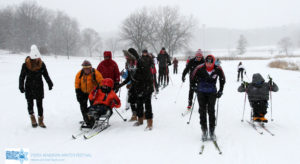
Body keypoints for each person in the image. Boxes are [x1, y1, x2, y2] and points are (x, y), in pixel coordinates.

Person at [118, 48, 154, 130]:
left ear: (132, 56)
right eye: (126, 57)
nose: (126, 58)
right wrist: (120, 85)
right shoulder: (130, 64)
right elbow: (129, 77)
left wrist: (141, 84)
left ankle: (149, 123)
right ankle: (140, 120)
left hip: (147, 86)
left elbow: (147, 75)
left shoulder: (141, 62)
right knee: (139, 103)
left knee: (147, 104)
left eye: (127, 57)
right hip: (138, 87)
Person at [191, 54, 226, 141]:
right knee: (202, 111)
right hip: (201, 91)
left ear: (213, 62)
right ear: (205, 62)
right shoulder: (199, 68)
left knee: (211, 111)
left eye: (210, 63)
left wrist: (221, 90)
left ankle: (212, 131)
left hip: (212, 92)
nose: (208, 64)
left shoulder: (218, 69)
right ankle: (204, 130)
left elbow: (222, 79)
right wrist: (194, 87)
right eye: (207, 62)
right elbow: (192, 77)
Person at [19, 44, 53, 128]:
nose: (36, 59)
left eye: (37, 58)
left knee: (39, 104)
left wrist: (49, 83)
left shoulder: (42, 64)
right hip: (29, 86)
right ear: (31, 57)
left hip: (39, 86)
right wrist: (21, 85)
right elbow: (22, 76)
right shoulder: (25, 65)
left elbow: (46, 75)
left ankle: (41, 120)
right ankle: (33, 119)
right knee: (30, 104)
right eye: (34, 58)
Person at [75, 60, 103, 126]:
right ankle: (87, 120)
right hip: (83, 92)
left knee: (93, 107)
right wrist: (77, 92)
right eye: (85, 68)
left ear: (90, 67)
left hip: (93, 93)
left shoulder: (95, 73)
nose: (86, 70)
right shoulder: (80, 73)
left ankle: (93, 119)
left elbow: (101, 81)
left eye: (87, 68)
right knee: (83, 107)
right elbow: (77, 83)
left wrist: (100, 89)